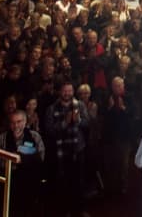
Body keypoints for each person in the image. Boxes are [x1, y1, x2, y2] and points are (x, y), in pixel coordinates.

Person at [44, 82, 89, 217]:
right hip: (60, 151)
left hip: (78, 149)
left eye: (70, 90)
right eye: (65, 91)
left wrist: (79, 120)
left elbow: (88, 124)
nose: (67, 93)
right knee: (62, 182)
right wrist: (65, 122)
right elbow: (49, 130)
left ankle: (79, 210)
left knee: (79, 182)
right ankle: (64, 211)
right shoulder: (51, 109)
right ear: (59, 92)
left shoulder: (80, 105)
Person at [0, 110, 45, 217]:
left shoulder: (34, 136)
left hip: (29, 180)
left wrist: (22, 159)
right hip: (8, 181)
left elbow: (41, 157)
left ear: (25, 122)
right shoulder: (2, 138)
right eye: (13, 122)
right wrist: (10, 161)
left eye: (19, 122)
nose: (16, 125)